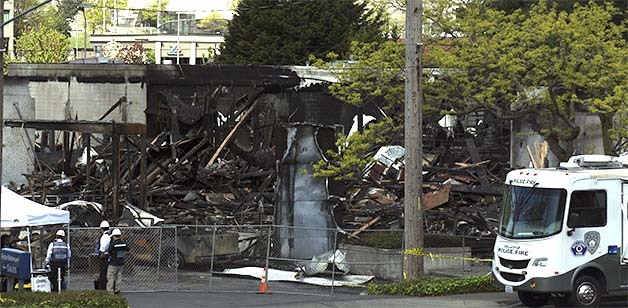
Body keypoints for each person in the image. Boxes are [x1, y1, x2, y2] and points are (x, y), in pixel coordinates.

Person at [106, 228, 129, 295]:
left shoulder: (113, 243)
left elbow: (109, 252)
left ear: (113, 236)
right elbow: (128, 249)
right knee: (119, 276)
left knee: (111, 277)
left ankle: (110, 291)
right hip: (121, 262)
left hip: (113, 263)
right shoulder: (123, 243)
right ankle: (117, 290)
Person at [96, 220, 111, 290]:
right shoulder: (110, 236)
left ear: (101, 228)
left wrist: (101, 255)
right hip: (107, 256)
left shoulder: (104, 237)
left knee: (103, 273)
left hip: (104, 256)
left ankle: (102, 287)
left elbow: (103, 247)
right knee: (105, 272)